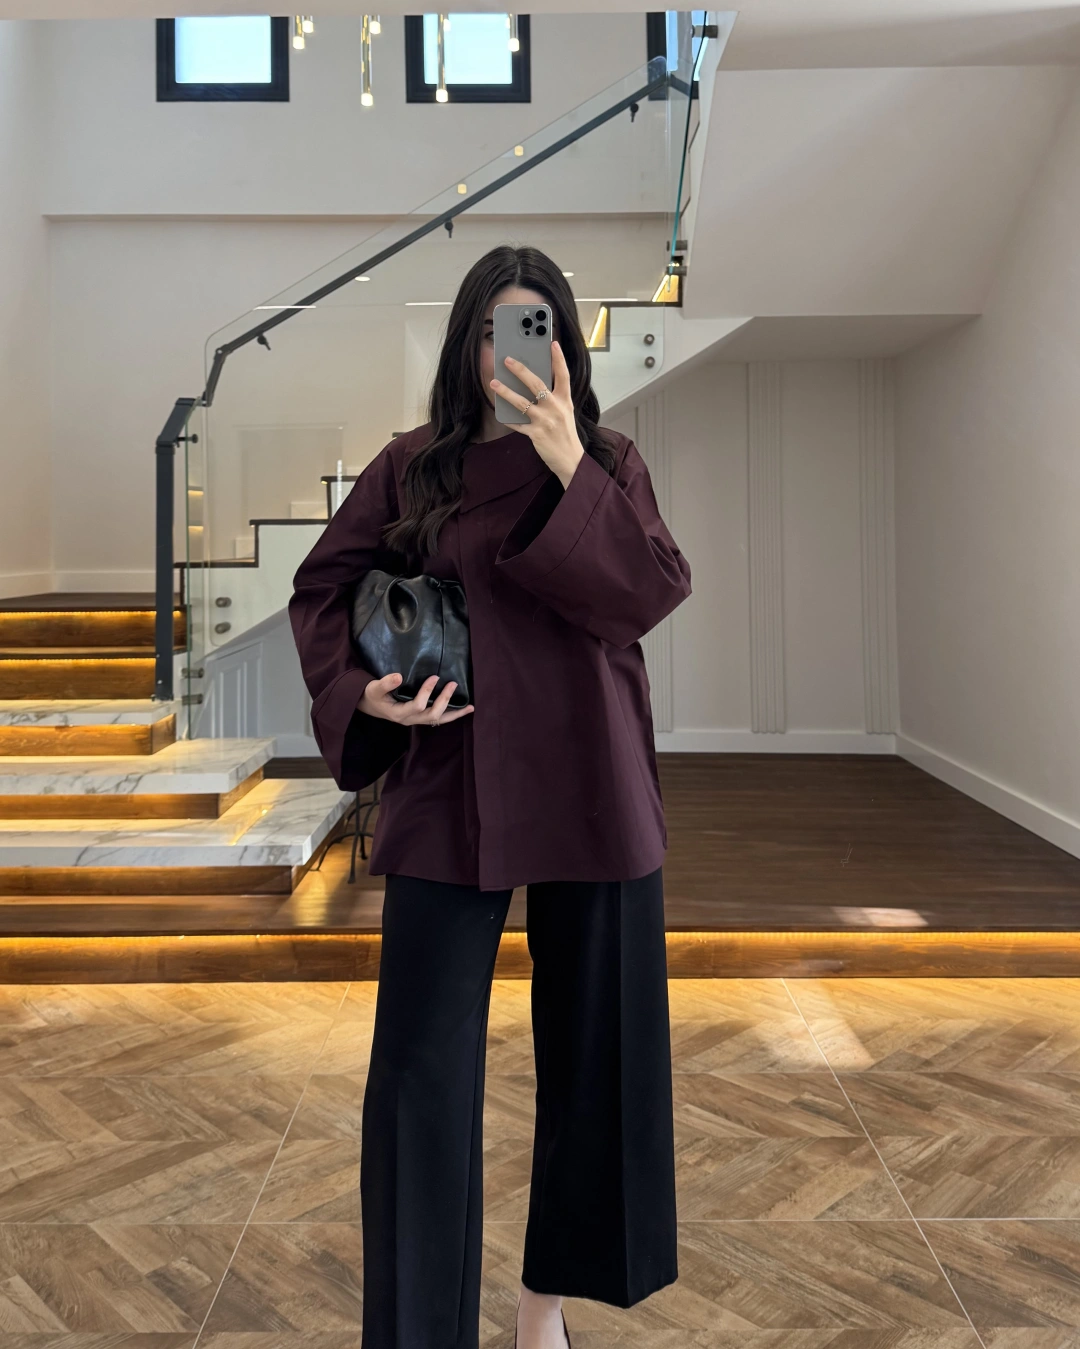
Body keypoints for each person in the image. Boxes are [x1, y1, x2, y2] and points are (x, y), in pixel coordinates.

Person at [289, 244, 692, 1349]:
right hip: (450, 777)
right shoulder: (412, 467)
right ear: (467, 344)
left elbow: (650, 591)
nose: (513, 350)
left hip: (591, 778)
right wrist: (369, 694)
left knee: (597, 1060)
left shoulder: (606, 459)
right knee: (419, 1068)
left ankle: (541, 1307)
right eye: (493, 329)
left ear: (562, 345)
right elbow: (322, 586)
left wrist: (569, 463)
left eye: (536, 326)